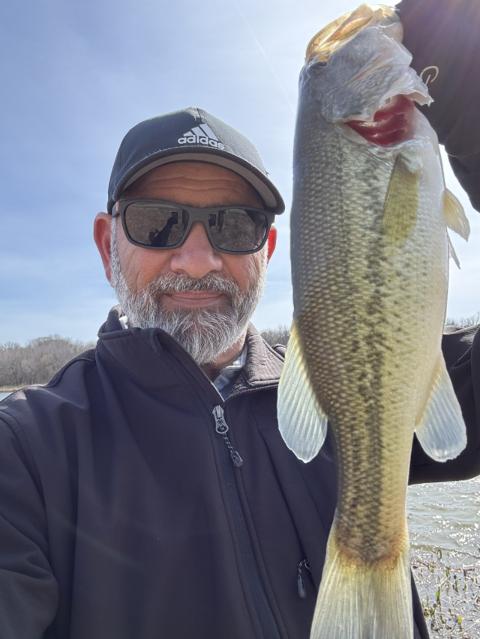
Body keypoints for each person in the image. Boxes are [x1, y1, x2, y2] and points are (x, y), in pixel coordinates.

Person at [0, 4, 479, 639]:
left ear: (269, 250)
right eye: (156, 222)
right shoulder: (25, 451)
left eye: (235, 225)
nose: (198, 260)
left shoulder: (347, 391)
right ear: (106, 244)